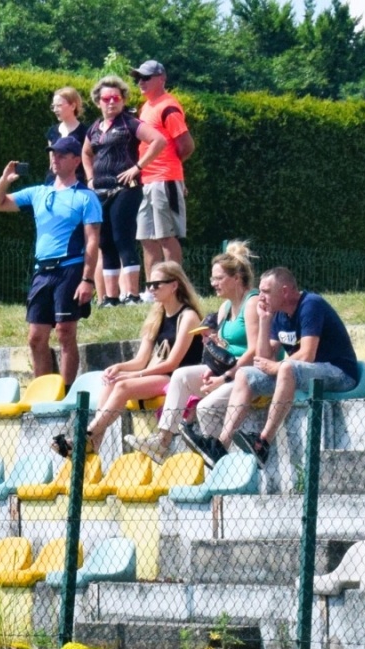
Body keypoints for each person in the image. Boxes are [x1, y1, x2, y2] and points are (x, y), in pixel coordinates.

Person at [54, 260, 204, 459]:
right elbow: (141, 359)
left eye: (157, 284)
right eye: (149, 284)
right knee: (112, 382)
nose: (151, 289)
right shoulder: (157, 315)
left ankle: (84, 435)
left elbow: (172, 364)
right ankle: (94, 443)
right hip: (157, 375)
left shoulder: (188, 316)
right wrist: (118, 367)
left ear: (174, 285)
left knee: (123, 386)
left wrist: (133, 375)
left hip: (176, 379)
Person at [215, 267, 359, 467]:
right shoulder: (278, 313)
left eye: (266, 291)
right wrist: (265, 321)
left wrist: (276, 367)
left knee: (286, 368)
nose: (261, 297)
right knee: (245, 375)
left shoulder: (311, 305)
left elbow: (307, 354)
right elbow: (263, 357)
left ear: (284, 291)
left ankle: (263, 442)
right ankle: (221, 444)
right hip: (303, 373)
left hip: (340, 372)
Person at [0, 138, 102, 384]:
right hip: (43, 271)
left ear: (75, 160)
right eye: (53, 154)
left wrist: (87, 280)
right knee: (36, 337)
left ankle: (67, 392)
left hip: (70, 268)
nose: (55, 159)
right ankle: (44, 390)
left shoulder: (86, 197)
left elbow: (92, 241)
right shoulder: (39, 192)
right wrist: (4, 180)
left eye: (61, 155)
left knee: (65, 333)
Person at [146, 243, 262, 464]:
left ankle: (217, 455)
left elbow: (254, 350)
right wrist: (213, 357)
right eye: (212, 279)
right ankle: (163, 440)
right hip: (228, 370)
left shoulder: (252, 302)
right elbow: (224, 350)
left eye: (218, 278)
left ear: (236, 278)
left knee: (206, 406)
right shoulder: (225, 308)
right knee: (181, 376)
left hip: (248, 372)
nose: (213, 284)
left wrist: (223, 378)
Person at [82, 75, 165, 307]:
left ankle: (131, 294)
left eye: (116, 98)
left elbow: (158, 140)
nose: (111, 102)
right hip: (100, 190)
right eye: (106, 98)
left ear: (122, 100)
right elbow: (86, 153)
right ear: (98, 101)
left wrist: (137, 167)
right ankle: (110, 297)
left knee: (123, 238)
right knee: (105, 242)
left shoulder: (129, 124)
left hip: (125, 188)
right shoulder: (95, 128)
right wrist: (90, 178)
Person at [132, 60, 194, 279]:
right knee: (147, 237)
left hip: (164, 180)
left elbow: (187, 145)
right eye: (138, 78)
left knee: (166, 236)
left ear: (161, 79)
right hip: (147, 180)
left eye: (146, 78)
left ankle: (176, 285)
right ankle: (153, 288)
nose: (140, 82)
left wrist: (172, 170)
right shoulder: (147, 106)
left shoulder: (168, 106)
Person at [47, 87, 89, 183]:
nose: (55, 110)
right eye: (53, 106)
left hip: (76, 182)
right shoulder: (52, 131)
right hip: (53, 181)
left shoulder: (86, 132)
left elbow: (88, 161)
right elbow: (51, 163)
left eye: (59, 106)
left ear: (73, 106)